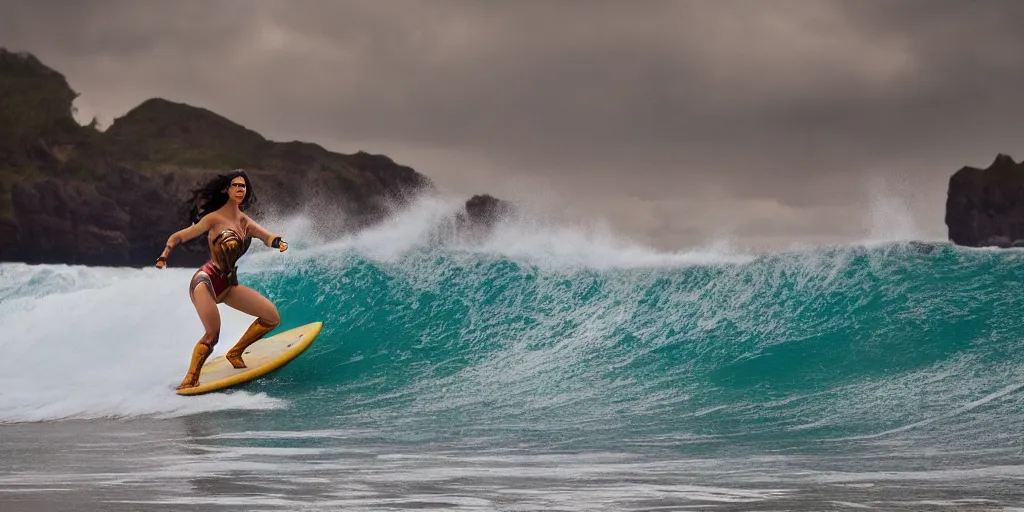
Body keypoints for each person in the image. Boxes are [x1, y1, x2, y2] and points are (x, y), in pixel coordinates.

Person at [155, 169, 289, 390]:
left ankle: (235, 352)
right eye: (235, 185)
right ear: (227, 190)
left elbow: (267, 237)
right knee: (212, 335)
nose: (240, 189)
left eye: (243, 186)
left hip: (228, 285)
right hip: (205, 281)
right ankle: (190, 379)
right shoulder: (213, 219)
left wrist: (279, 243)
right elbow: (180, 235)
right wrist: (165, 254)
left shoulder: (245, 222)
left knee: (271, 318)